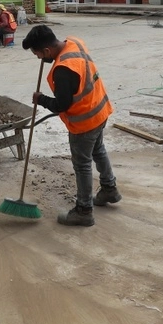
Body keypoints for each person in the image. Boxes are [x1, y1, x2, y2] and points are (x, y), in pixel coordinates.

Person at [22, 25, 120, 227]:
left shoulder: (63, 71)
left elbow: (61, 105)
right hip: (100, 110)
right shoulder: (74, 42)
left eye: (38, 54)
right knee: (98, 150)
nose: (39, 58)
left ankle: (84, 211)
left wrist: (41, 99)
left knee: (82, 165)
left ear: (47, 51)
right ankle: (109, 189)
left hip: (84, 122)